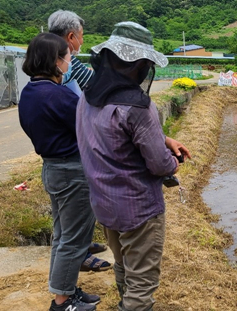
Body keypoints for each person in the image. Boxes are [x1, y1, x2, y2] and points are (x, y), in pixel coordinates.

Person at [76, 21, 191, 311]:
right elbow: (158, 165)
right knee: (142, 280)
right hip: (138, 209)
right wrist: (173, 163)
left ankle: (123, 303)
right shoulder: (138, 107)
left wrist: (163, 139)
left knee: (123, 264)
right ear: (138, 64)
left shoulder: (88, 98)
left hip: (104, 203)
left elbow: (112, 136)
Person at [18, 32, 99, 311]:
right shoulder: (57, 95)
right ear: (55, 61)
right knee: (74, 239)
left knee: (63, 236)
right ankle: (63, 302)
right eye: (68, 57)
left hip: (53, 168)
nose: (70, 63)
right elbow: (92, 126)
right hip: (72, 171)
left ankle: (67, 289)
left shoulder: (30, 92)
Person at [48, 9, 112, 272]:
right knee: (76, 207)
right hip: (71, 146)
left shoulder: (48, 57)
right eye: (81, 37)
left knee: (66, 214)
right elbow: (97, 87)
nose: (82, 43)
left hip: (58, 146)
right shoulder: (65, 61)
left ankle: (82, 246)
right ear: (71, 36)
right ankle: (80, 254)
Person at [48, 10, 93, 90]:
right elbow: (98, 82)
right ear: (71, 37)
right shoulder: (67, 62)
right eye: (81, 36)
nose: (82, 41)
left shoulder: (43, 54)